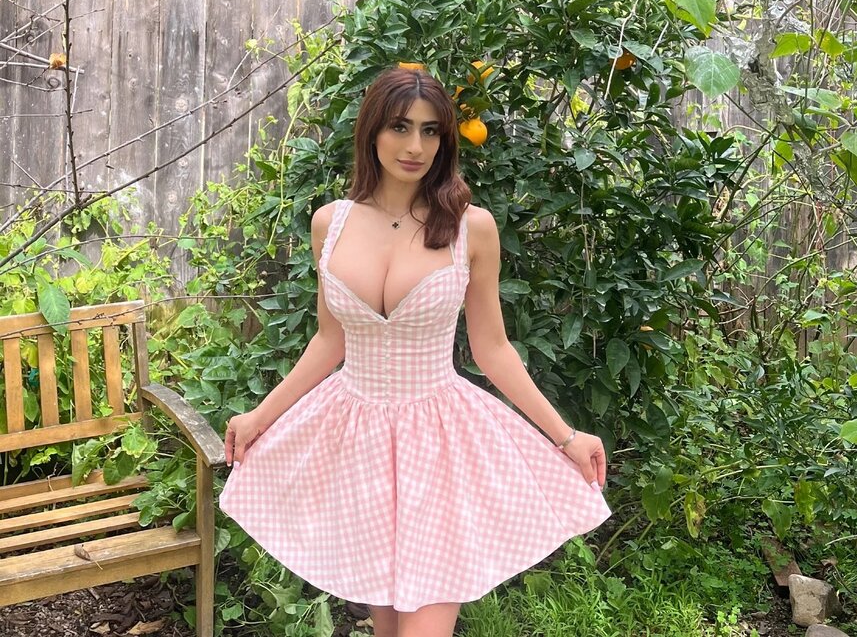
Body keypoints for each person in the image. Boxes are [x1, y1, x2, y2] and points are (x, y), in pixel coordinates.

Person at [219, 64, 611, 637]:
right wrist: (260, 416)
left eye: (431, 131)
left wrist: (566, 437)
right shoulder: (330, 223)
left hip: (439, 444)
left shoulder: (471, 228)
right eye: (401, 127)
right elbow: (331, 340)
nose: (415, 147)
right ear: (372, 131)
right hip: (358, 444)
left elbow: (493, 348)